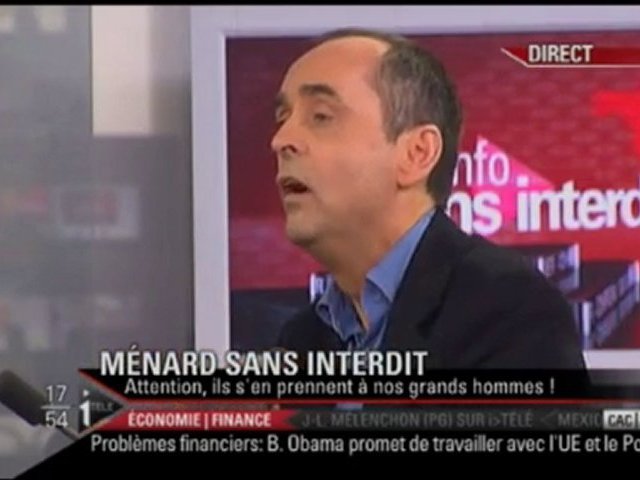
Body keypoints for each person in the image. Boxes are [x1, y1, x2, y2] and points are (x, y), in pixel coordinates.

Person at [270, 28, 585, 369]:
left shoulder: (510, 310)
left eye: (320, 116)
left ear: (417, 153)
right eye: (283, 118)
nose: (281, 140)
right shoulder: (302, 339)